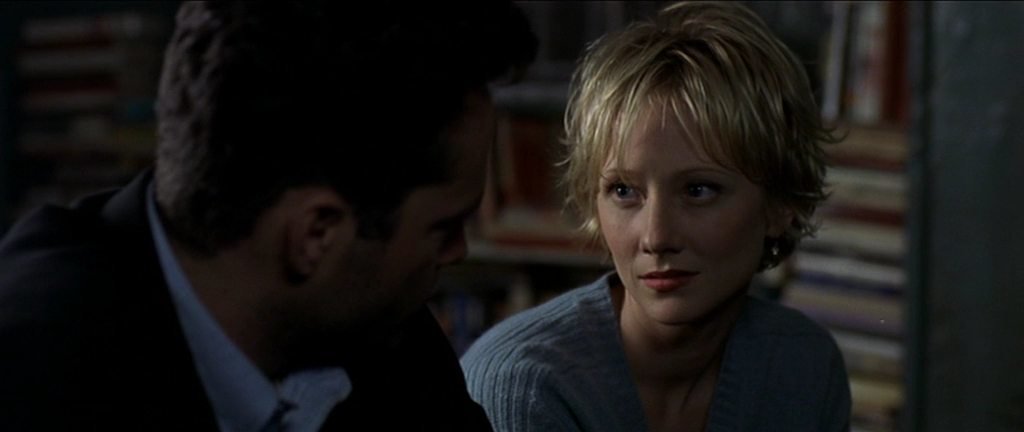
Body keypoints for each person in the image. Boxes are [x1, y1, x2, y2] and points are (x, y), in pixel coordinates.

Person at [0, 1, 536, 430]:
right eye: (443, 227)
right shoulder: (37, 379)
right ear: (316, 234)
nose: (458, 251)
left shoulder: (376, 324)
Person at [461, 2, 851, 431]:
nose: (656, 236)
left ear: (779, 205)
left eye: (699, 190)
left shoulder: (805, 368)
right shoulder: (525, 389)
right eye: (624, 191)